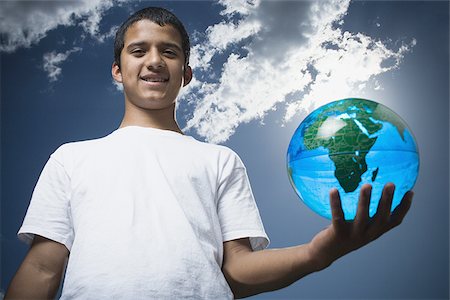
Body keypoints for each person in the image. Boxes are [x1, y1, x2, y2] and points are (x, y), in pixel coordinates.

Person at [5, 6, 413, 300]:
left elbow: (235, 271)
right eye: (138, 50)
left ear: (186, 73)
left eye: (169, 51)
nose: (154, 61)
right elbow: (42, 268)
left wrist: (316, 253)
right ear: (118, 69)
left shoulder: (220, 160)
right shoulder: (72, 158)